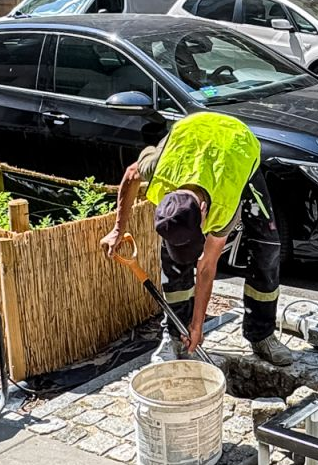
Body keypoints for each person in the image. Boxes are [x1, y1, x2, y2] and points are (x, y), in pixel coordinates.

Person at [100, 111, 293, 366]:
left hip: (235, 145)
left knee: (267, 247)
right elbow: (130, 175)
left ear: (204, 213)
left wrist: (199, 325)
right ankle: (173, 335)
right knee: (173, 259)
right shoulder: (159, 171)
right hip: (188, 134)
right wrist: (117, 228)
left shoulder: (224, 204)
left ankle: (262, 335)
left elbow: (206, 267)